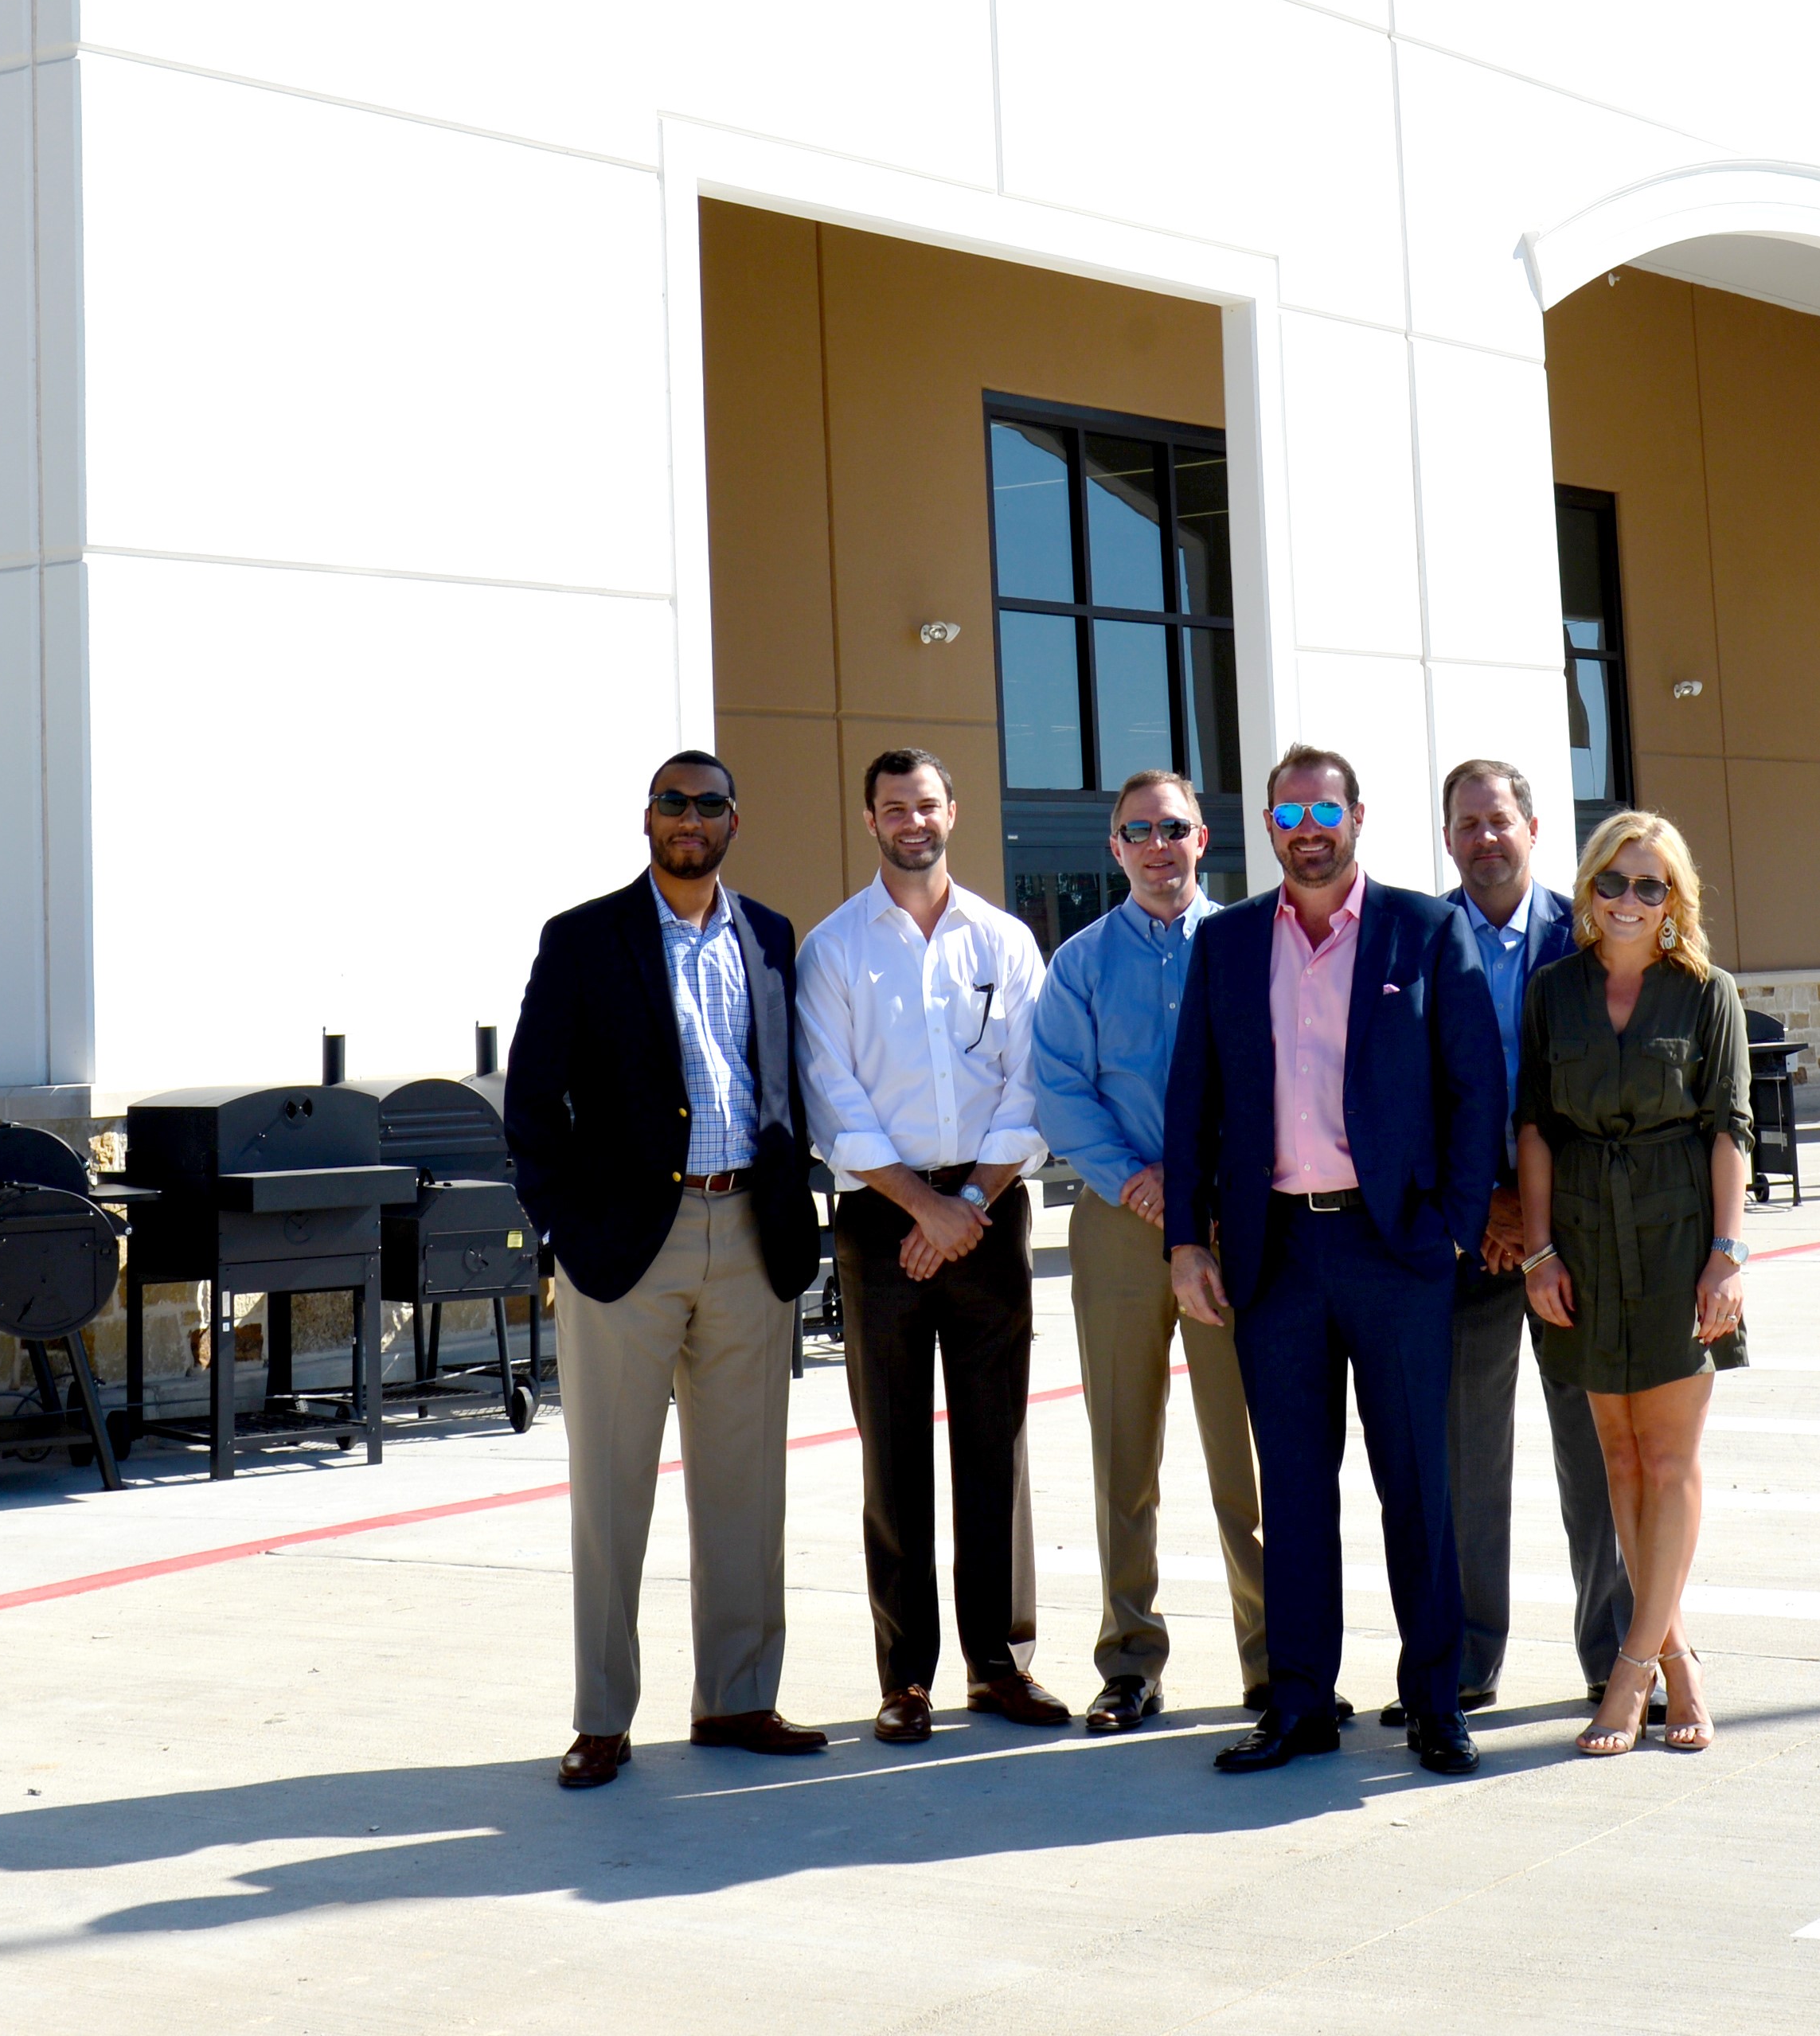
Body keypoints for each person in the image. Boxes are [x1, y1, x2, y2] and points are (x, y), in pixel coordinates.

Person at [1166, 744, 1503, 1778]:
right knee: (1297, 1493)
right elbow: (1194, 1105)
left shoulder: (1425, 928)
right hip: (1275, 1254)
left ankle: (1435, 1701)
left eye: (1324, 808)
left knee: (1418, 1485)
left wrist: (1448, 1223)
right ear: (1267, 826)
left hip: (1392, 1250)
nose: (1306, 827)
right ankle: (1300, 1703)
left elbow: (1474, 1089)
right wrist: (1187, 1238)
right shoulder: (1225, 943)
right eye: (1287, 811)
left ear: (1357, 817)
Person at [502, 751, 832, 1790]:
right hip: (625, 1250)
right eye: (671, 803)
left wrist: (798, 1206)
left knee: (746, 1493)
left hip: (750, 1236)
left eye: (708, 805)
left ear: (737, 820)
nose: (689, 819)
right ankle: (602, 1717)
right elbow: (530, 1106)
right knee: (613, 1494)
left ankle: (738, 1698)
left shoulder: (772, 936)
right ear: (647, 818)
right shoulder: (583, 939)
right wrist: (565, 1226)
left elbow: (785, 1082)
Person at [798, 749, 1068, 1745]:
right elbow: (834, 1099)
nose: (912, 819)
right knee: (894, 1452)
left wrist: (966, 1202)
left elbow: (1029, 1084)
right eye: (892, 807)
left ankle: (999, 1665)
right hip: (880, 1218)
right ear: (868, 819)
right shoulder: (834, 950)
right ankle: (904, 1676)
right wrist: (922, 1207)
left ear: (952, 810)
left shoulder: (1004, 939)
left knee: (994, 1442)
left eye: (926, 803)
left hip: (988, 1208)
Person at [1027, 765, 1267, 1732]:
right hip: (1120, 1225)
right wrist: (1139, 1179)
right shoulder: (1079, 962)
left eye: (1174, 827)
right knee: (1123, 1451)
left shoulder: (1250, 946)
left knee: (1242, 1455)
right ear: (1115, 848)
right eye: (1138, 831)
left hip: (1230, 1226)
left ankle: (1274, 1657)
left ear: (1201, 838)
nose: (1158, 845)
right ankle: (1129, 1659)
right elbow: (1057, 1089)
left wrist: (1201, 1189)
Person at [1516, 810, 1752, 1756]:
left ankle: (1628, 1671)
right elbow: (1532, 1124)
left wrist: (1727, 1253)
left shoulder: (1707, 993)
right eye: (1611, 881)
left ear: (1673, 900)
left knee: (1667, 1462)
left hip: (1674, 1237)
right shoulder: (1551, 991)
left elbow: (1729, 1126)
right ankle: (1679, 1660)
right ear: (1587, 889)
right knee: (1614, 1460)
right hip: (1579, 1239)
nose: (1626, 900)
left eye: (1648, 885)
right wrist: (1537, 1250)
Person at [1436, 759, 1631, 1714]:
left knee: (1593, 1454)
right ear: (1446, 837)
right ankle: (1470, 1660)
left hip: (1578, 1244)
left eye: (1498, 819)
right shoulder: (1419, 939)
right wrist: (1483, 1207)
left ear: (1534, 826)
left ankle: (1612, 1651)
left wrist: (1542, 1216)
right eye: (1466, 823)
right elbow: (1402, 1094)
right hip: (1469, 1239)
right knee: (1467, 1459)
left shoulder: (1588, 935)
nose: (1484, 837)